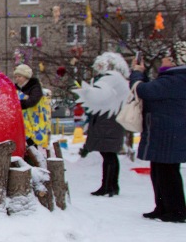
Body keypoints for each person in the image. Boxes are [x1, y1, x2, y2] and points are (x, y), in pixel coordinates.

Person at [129, 47, 186, 223]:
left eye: (168, 58)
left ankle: (176, 211)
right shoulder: (173, 79)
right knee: (160, 171)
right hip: (166, 132)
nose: (163, 60)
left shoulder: (177, 79)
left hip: (168, 133)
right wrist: (142, 75)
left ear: (177, 61)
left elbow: (143, 91)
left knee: (167, 172)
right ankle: (163, 207)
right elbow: (152, 90)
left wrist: (137, 73)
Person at [72, 53, 130, 197]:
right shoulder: (113, 79)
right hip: (107, 121)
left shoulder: (111, 79)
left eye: (102, 65)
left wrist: (85, 92)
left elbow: (99, 97)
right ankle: (111, 185)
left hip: (108, 121)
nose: (98, 68)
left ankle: (108, 186)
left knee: (108, 154)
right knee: (109, 154)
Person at [13, 64, 50, 148]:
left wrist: (19, 104)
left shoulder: (35, 87)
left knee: (32, 139)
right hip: (22, 119)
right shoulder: (16, 88)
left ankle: (33, 154)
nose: (17, 79)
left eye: (20, 76)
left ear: (26, 77)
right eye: (16, 77)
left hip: (34, 118)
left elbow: (33, 101)